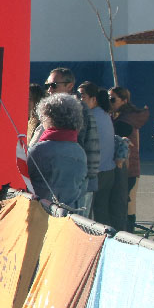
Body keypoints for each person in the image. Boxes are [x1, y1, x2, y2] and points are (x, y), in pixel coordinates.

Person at [40, 68, 99, 209]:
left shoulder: (78, 109)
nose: (49, 89)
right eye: (47, 85)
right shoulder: (53, 108)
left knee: (76, 223)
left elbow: (84, 143)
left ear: (70, 85)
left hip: (76, 178)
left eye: (54, 85)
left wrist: (88, 176)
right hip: (59, 176)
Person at [27, 93, 87, 210]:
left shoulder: (40, 150)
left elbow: (23, 179)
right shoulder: (80, 152)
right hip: (68, 215)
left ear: (49, 117)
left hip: (40, 213)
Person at [78, 82, 124, 231]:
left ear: (94, 99)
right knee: (102, 212)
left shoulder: (91, 117)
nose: (79, 100)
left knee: (93, 216)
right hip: (107, 171)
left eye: (82, 96)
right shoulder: (104, 115)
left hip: (97, 172)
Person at [110, 85, 149, 231]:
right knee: (129, 203)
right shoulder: (125, 117)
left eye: (113, 99)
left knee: (125, 203)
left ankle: (128, 233)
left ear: (124, 101)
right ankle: (129, 233)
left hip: (127, 168)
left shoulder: (125, 121)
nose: (110, 102)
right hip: (131, 166)